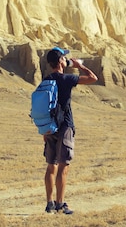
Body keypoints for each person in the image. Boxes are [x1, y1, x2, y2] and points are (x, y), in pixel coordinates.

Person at [42, 46, 98, 214]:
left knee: (50, 166)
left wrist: (44, 131)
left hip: (49, 128)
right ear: (60, 61)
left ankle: (49, 203)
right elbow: (92, 78)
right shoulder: (66, 79)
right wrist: (79, 66)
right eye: (64, 58)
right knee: (63, 166)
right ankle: (60, 204)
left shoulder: (46, 80)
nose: (66, 59)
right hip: (65, 125)